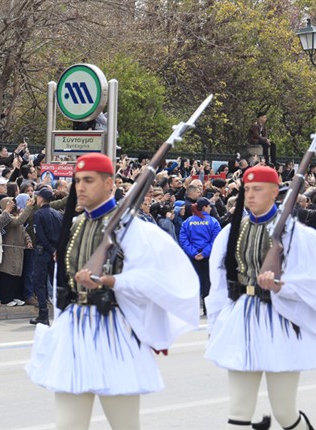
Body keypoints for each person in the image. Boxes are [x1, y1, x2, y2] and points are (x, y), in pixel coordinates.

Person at [26, 153, 199, 430]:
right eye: (77, 181)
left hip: (113, 330)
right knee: (68, 425)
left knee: (124, 425)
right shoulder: (76, 224)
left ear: (109, 184)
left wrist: (111, 281)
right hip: (74, 330)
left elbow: (153, 278)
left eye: (88, 180)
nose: (80, 187)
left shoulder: (130, 228)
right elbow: (63, 281)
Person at [204, 165, 316, 430]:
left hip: (281, 322)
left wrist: (282, 286)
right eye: (246, 189)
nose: (251, 195)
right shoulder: (231, 232)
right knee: (238, 411)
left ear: (274, 193)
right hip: (242, 319)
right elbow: (220, 283)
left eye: (258, 189)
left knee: (284, 411)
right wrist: (215, 324)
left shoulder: (297, 235)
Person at [179, 197, 222, 315]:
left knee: (193, 282)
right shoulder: (213, 221)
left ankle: (192, 310)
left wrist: (193, 253)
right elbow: (216, 240)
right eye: (209, 206)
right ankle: (207, 308)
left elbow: (183, 240)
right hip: (208, 257)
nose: (211, 208)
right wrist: (204, 253)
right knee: (208, 282)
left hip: (192, 258)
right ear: (204, 207)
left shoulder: (187, 222)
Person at [29, 187, 61, 325]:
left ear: (40, 198)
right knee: (55, 283)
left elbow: (40, 236)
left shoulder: (39, 214)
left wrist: (50, 249)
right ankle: (60, 312)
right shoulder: (58, 214)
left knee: (39, 283)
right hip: (55, 252)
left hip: (43, 252)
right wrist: (56, 250)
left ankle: (43, 314)